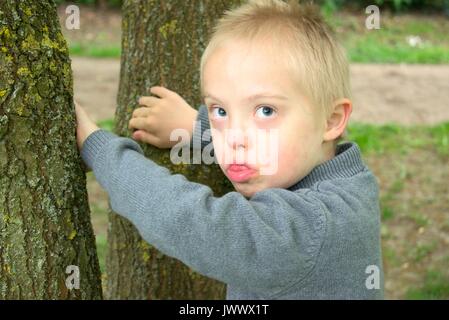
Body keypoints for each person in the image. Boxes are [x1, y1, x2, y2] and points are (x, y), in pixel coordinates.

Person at [75, 0, 384, 299]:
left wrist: (97, 146)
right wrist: (196, 124)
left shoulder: (310, 229)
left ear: (331, 120)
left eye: (265, 111)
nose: (234, 139)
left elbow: (190, 221)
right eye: (220, 111)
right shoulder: (348, 181)